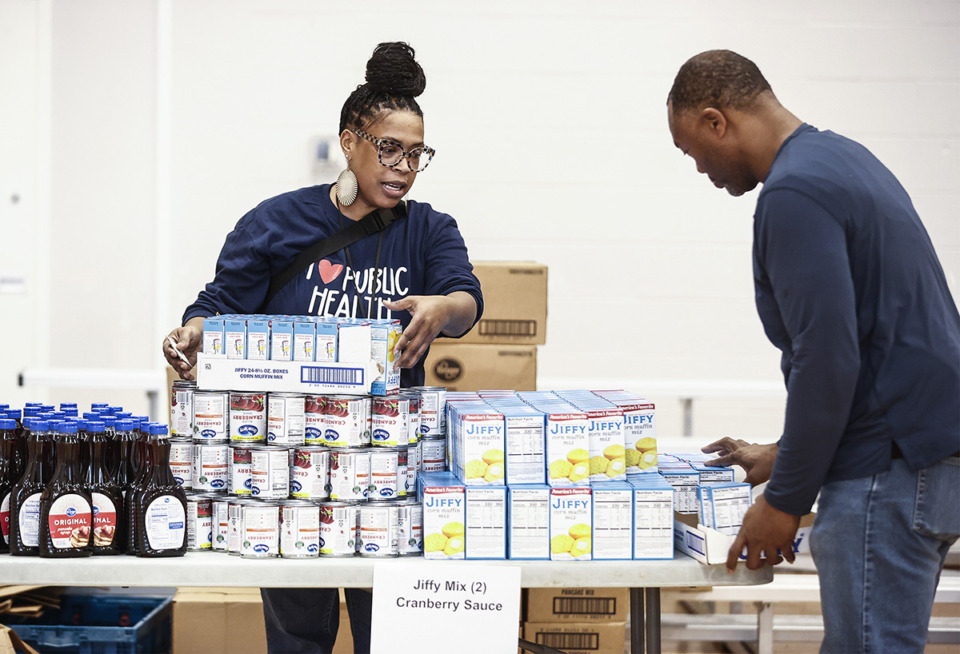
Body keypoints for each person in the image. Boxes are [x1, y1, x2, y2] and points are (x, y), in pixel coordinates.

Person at [162, 42, 483, 654]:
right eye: (389, 148)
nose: (403, 166)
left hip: (387, 470)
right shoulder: (277, 223)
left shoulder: (430, 230)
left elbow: (467, 300)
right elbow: (219, 301)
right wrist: (195, 331)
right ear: (350, 141)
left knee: (389, 635)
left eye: (417, 154)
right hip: (287, 467)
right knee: (298, 636)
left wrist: (443, 308)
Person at [667, 49, 959, 653]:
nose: (698, 168)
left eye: (691, 148)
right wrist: (785, 453)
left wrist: (785, 499)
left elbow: (827, 358)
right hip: (925, 453)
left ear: (717, 121)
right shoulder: (842, 159)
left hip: (890, 465)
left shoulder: (794, 193)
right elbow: (876, 342)